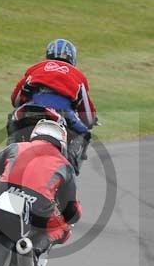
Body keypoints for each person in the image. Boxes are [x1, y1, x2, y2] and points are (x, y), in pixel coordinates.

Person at [0, 119, 82, 266]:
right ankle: (35, 252)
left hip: (3, 192)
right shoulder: (66, 166)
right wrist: (70, 215)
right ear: (62, 144)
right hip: (38, 204)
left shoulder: (16, 147)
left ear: (35, 135)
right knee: (62, 227)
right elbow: (71, 209)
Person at [7, 39, 97, 174]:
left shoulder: (35, 69)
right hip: (63, 113)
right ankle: (70, 165)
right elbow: (88, 116)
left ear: (48, 54)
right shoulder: (78, 76)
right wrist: (90, 122)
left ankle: (10, 152)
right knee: (84, 133)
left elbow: (16, 99)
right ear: (73, 58)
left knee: (13, 119)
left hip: (32, 109)